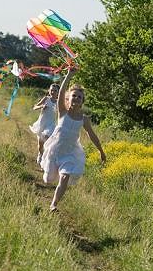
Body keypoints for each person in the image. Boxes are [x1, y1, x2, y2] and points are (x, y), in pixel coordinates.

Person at [40, 67, 106, 212]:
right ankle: (49, 174)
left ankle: (54, 204)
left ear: (82, 101)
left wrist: (101, 151)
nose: (76, 98)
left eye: (79, 97)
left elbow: (92, 136)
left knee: (64, 177)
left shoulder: (84, 119)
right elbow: (62, 91)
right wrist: (69, 75)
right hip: (54, 151)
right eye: (74, 96)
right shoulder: (62, 112)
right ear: (68, 99)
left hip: (69, 154)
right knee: (48, 180)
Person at [29, 83, 60, 166]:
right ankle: (40, 154)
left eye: (55, 91)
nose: (53, 92)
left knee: (46, 138)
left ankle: (46, 159)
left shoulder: (58, 103)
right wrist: (41, 106)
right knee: (40, 144)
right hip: (42, 123)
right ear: (49, 91)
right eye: (51, 90)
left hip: (51, 125)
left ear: (58, 92)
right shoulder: (46, 99)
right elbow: (34, 107)